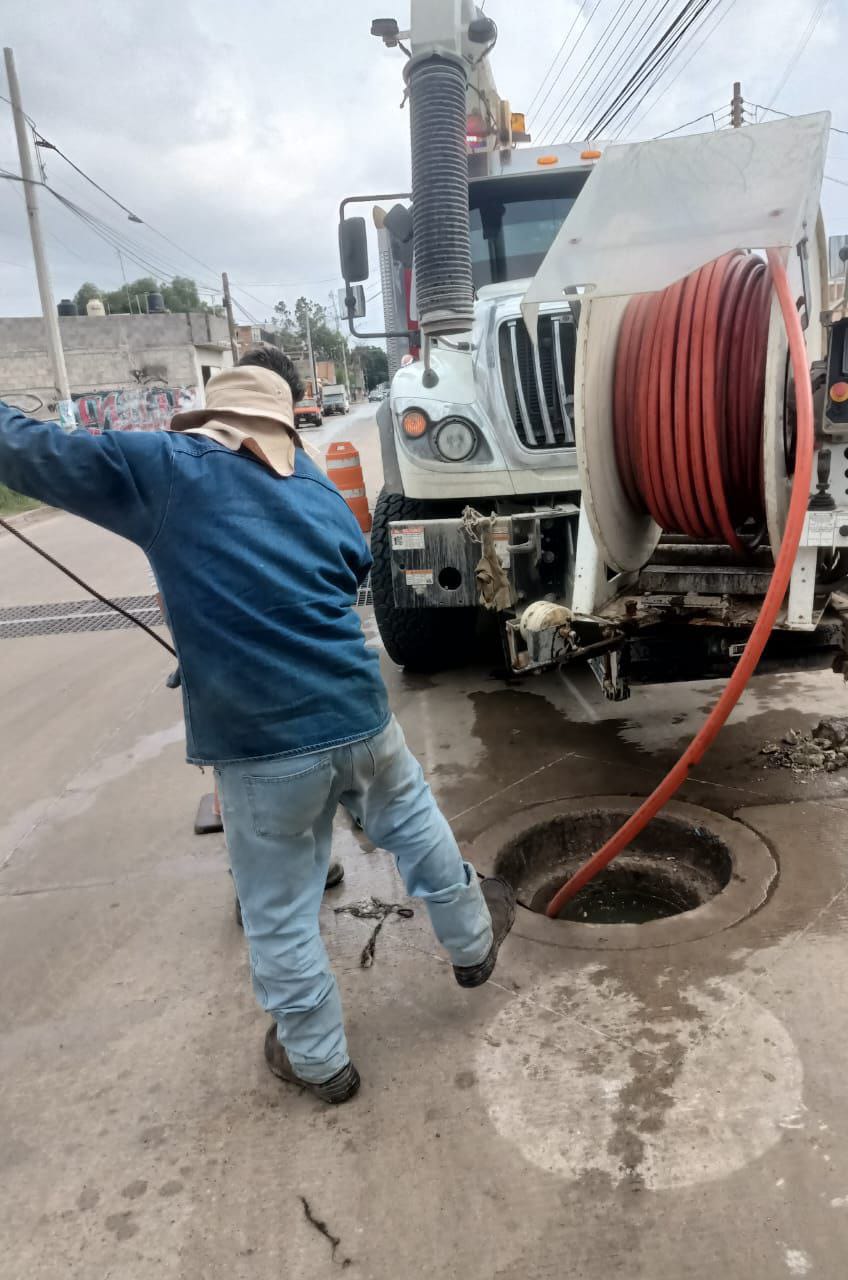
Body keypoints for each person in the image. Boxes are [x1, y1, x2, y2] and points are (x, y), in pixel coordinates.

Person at [0, 345, 515, 1104]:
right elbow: (341, 573)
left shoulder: (166, 466)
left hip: (263, 749)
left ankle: (317, 1060)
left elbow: (27, 448)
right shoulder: (309, 481)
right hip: (361, 717)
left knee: (277, 907)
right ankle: (472, 944)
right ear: (283, 418)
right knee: (415, 825)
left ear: (213, 410)